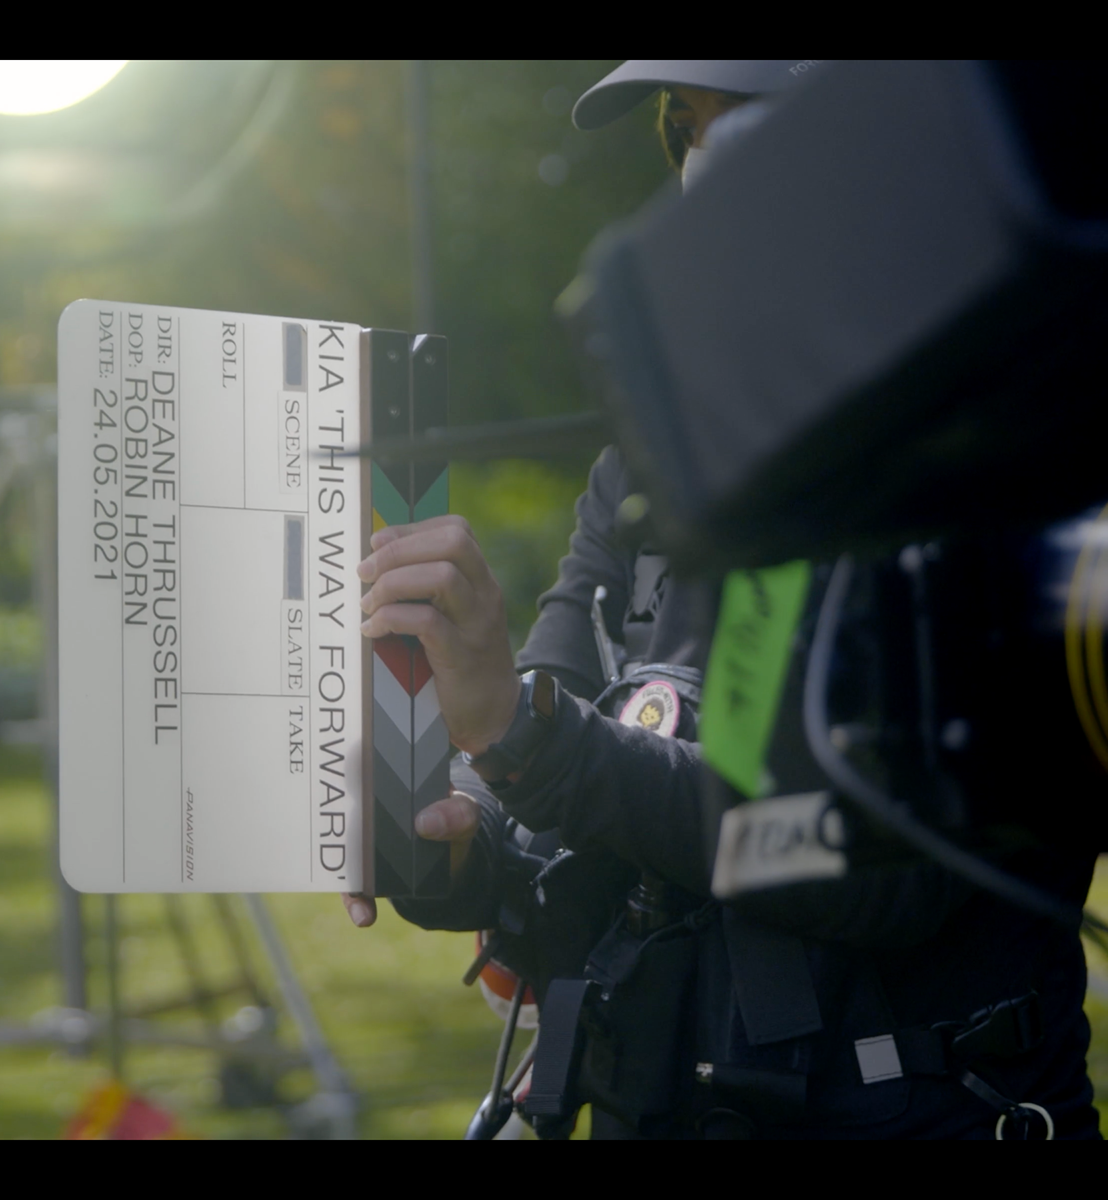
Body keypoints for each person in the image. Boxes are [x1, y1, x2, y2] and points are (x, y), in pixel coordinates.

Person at [343, 61, 1101, 1139]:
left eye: (750, 121)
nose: (706, 165)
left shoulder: (1004, 457)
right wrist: (440, 843)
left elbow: (873, 870)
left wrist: (522, 729)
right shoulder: (647, 469)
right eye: (684, 125)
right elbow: (563, 823)